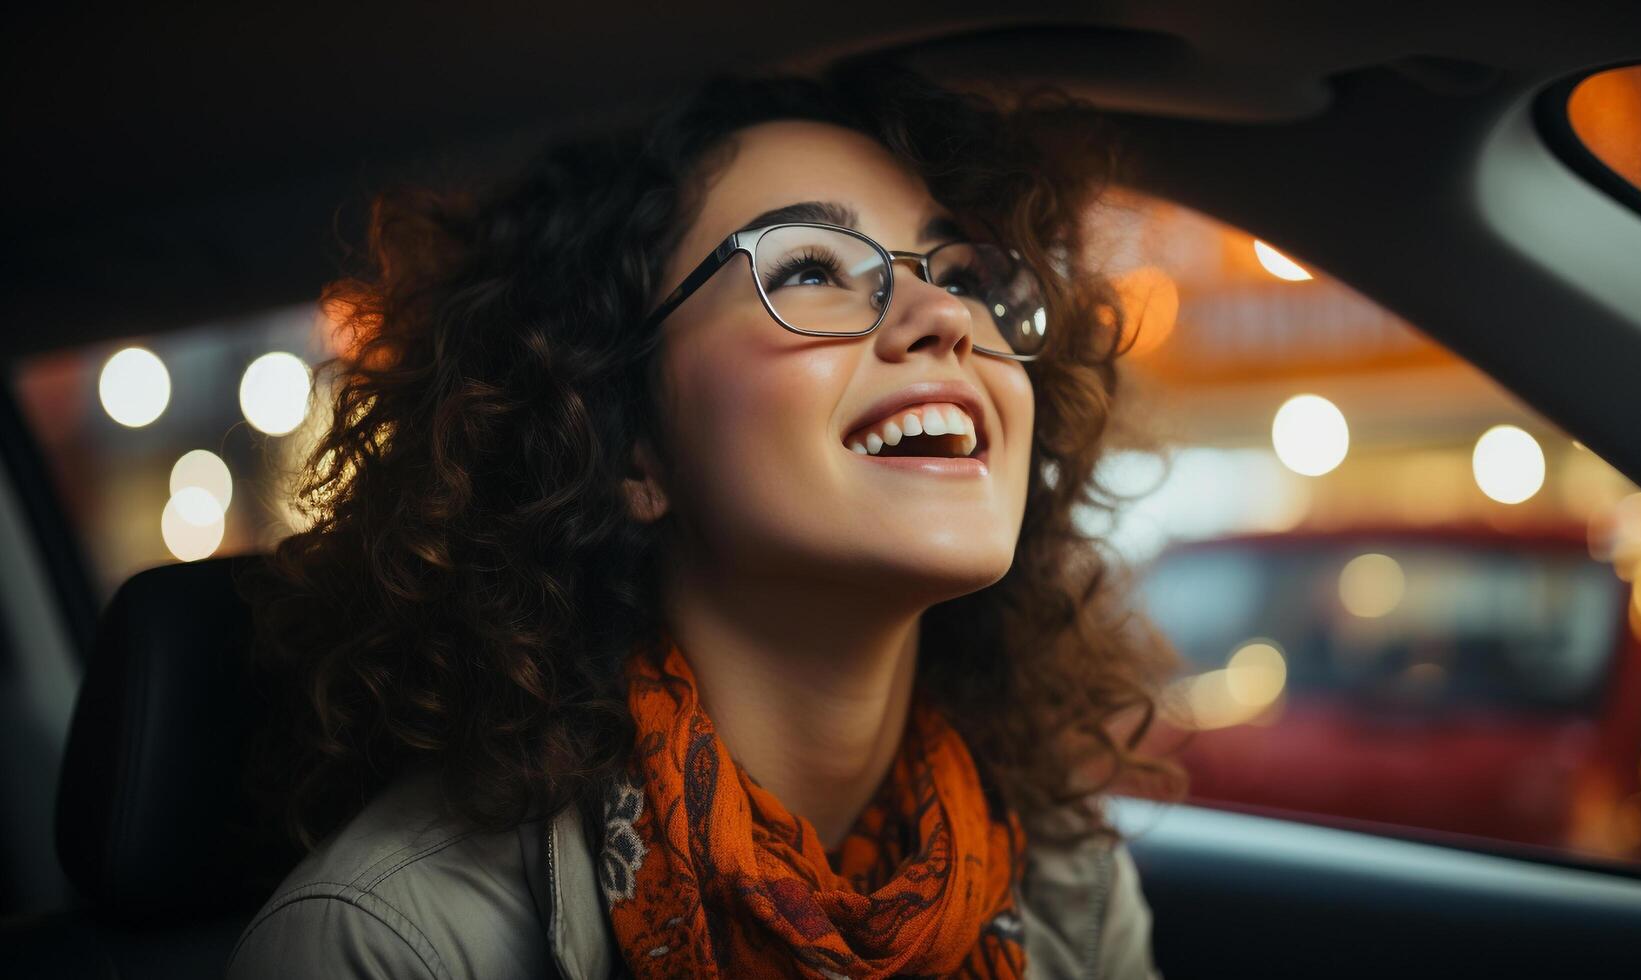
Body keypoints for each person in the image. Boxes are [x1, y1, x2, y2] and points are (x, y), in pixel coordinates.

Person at [227, 57, 1182, 979]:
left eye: (965, 274)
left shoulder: (1069, 885)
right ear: (626, 443)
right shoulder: (389, 949)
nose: (942, 313)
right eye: (809, 268)